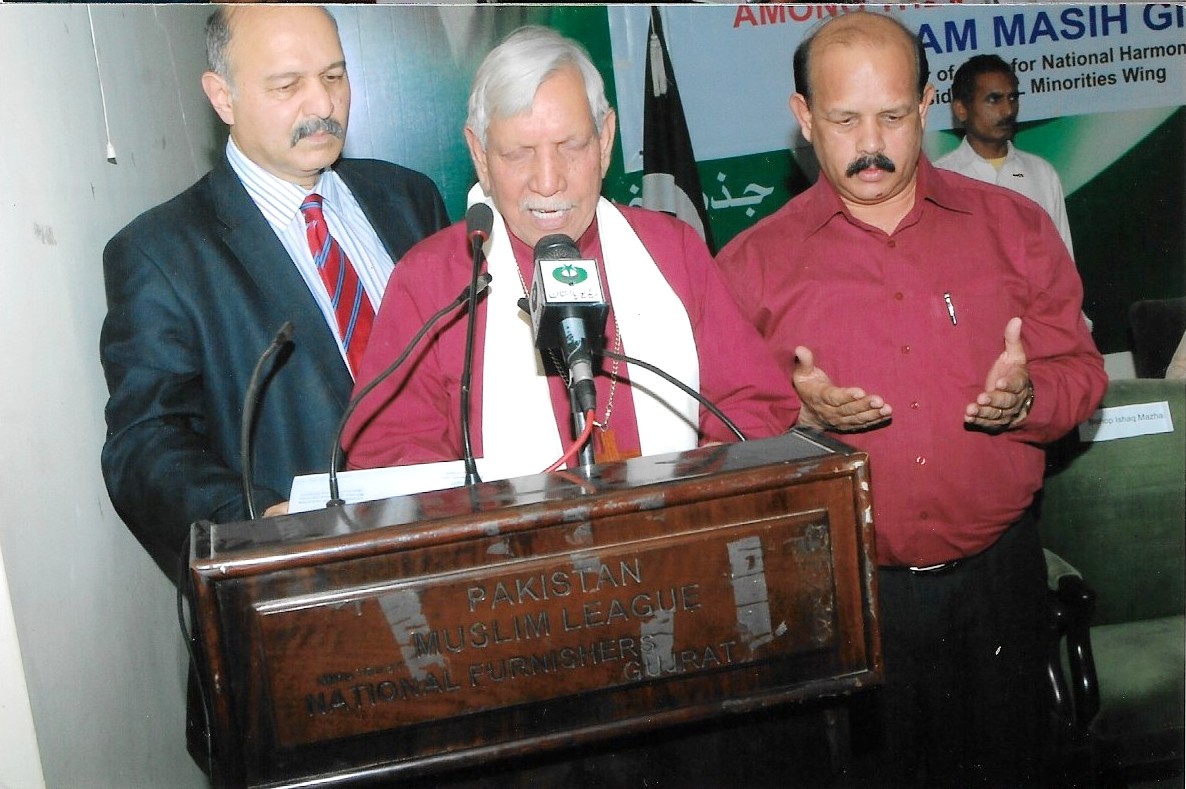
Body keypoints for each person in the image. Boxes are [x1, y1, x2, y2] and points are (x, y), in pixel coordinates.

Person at [716, 13, 1107, 788]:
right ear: (803, 117)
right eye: (844, 119)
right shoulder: (750, 266)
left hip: (999, 587)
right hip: (845, 602)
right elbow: (713, 433)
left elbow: (1082, 374)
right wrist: (800, 419)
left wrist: (1026, 396)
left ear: (927, 105)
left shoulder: (1015, 228)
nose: (872, 142)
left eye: (893, 116)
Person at [343, 25, 798, 477]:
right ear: (479, 155)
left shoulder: (671, 250)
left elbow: (752, 403)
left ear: (605, 141)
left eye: (571, 147)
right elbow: (389, 459)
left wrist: (699, 487)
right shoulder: (431, 280)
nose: (547, 181)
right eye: (519, 154)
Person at [100, 5, 449, 583]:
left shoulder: (410, 199)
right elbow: (144, 444)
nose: (321, 105)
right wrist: (257, 520)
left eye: (334, 77)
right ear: (223, 98)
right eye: (288, 85)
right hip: (302, 594)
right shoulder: (162, 254)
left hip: (452, 558)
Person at [935, 54, 1075, 257]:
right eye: (994, 100)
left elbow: (1062, 264)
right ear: (961, 109)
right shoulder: (940, 179)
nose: (1008, 110)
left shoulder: (1041, 174)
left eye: (1013, 98)